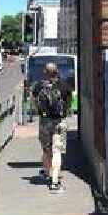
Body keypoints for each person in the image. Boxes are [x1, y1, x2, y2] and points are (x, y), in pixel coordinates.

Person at [32, 62, 71, 193]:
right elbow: (69, 103)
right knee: (57, 151)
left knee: (46, 150)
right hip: (59, 122)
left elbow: (33, 101)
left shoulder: (39, 86)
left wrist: (39, 111)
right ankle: (55, 183)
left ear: (45, 72)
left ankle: (48, 173)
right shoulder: (64, 85)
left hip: (44, 122)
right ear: (57, 72)